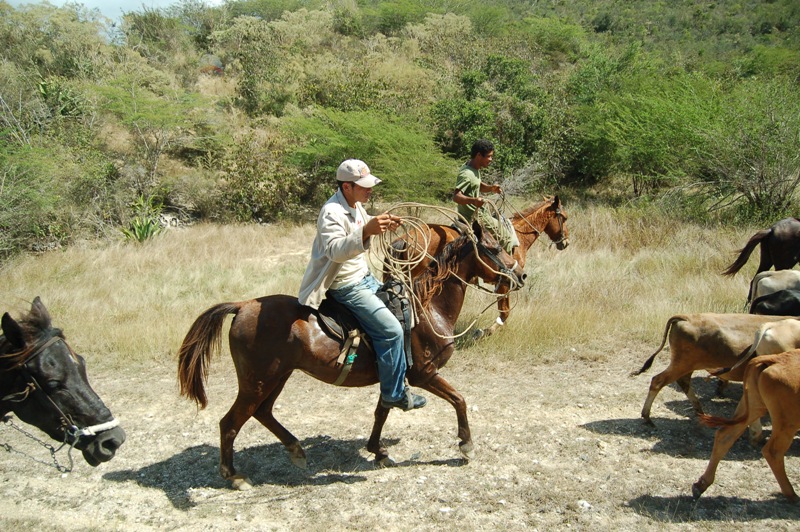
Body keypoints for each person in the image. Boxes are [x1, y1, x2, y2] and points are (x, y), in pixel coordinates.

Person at [298, 159, 427, 411]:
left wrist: (380, 224)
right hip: (346, 286)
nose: (370, 190)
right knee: (391, 331)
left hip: (365, 278)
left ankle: (398, 371)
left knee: (405, 309)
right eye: (364, 186)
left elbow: (363, 230)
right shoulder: (331, 212)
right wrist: (367, 229)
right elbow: (335, 250)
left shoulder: (355, 205)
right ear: (347, 186)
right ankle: (393, 392)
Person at [452, 139, 517, 253]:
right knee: (508, 239)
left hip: (480, 214)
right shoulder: (467, 174)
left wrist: (491, 188)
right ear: (478, 155)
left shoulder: (473, 167)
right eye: (489, 156)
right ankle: (504, 269)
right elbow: (456, 196)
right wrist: (474, 200)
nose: (491, 159)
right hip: (475, 217)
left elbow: (477, 185)